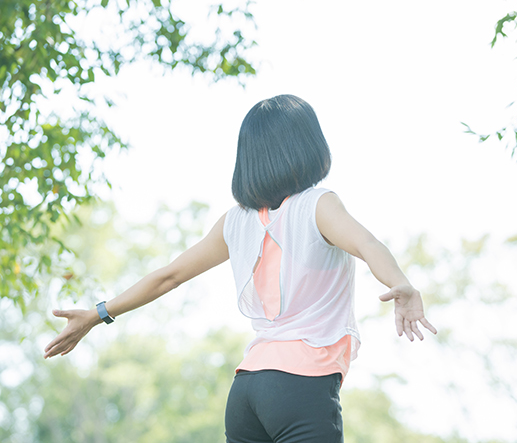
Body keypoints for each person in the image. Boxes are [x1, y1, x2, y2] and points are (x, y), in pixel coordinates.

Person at [43, 94, 437, 442]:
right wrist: (401, 283)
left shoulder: (236, 221)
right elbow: (367, 244)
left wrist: (98, 314)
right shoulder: (318, 204)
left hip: (246, 390)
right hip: (302, 386)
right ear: (308, 147)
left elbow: (168, 276)